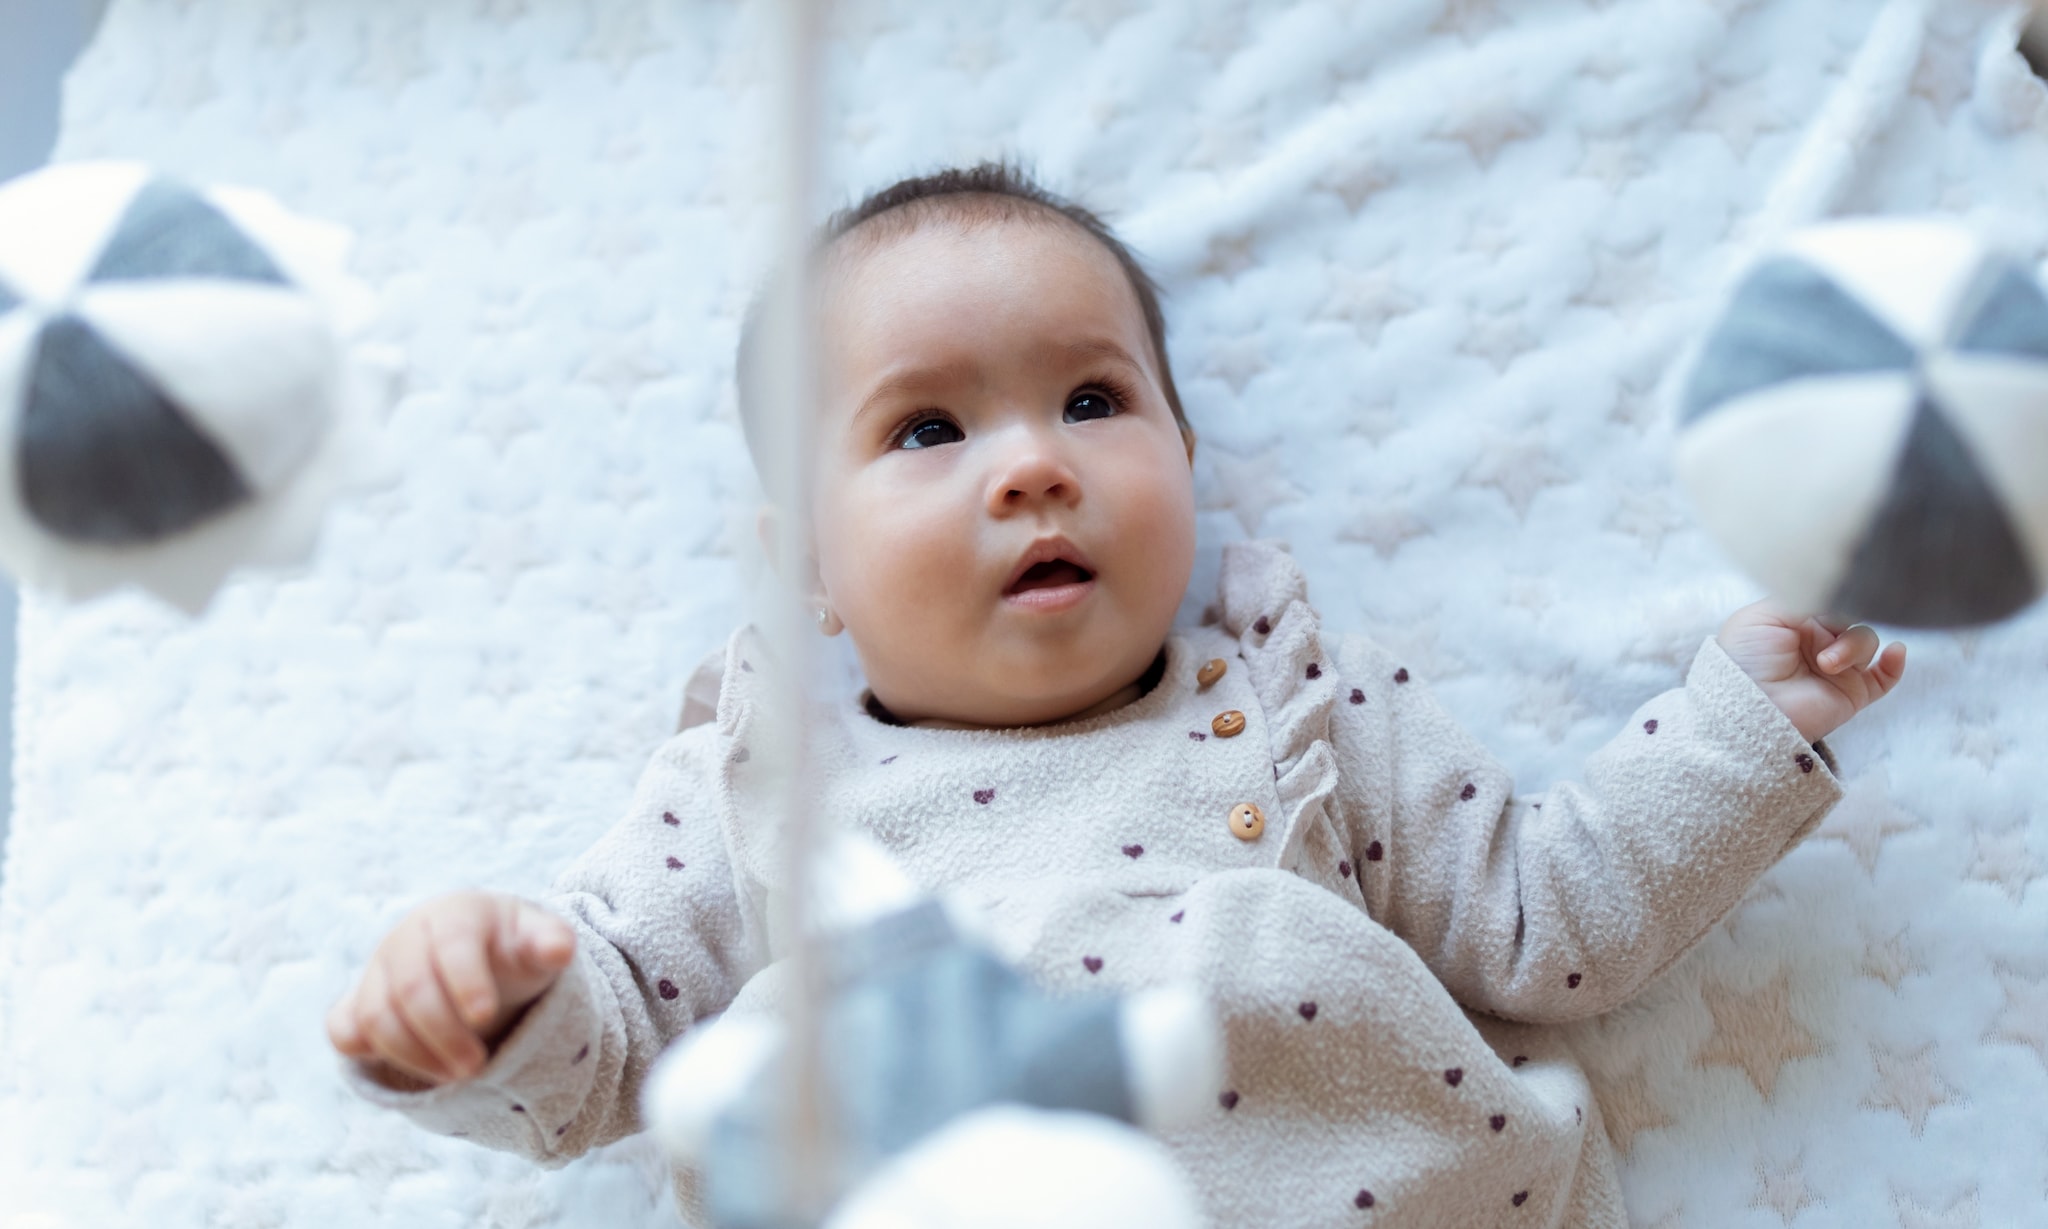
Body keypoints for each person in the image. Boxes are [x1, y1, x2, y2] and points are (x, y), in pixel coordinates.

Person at [327, 163, 1906, 1227]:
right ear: (803, 560)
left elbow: (1546, 918)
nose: (1033, 463)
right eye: (927, 431)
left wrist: (1735, 724)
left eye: (1092, 399)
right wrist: (492, 999)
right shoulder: (759, 780)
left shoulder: (1295, 708)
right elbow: (610, 1052)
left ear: (1187, 460)